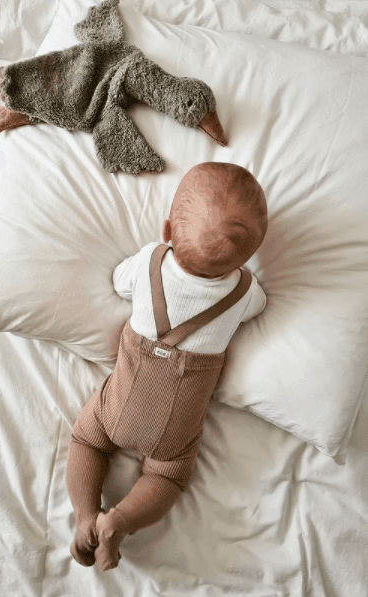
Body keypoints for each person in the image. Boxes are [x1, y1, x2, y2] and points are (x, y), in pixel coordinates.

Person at [66, 162, 268, 571]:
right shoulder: (243, 292)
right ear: (244, 260)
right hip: (172, 430)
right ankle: (118, 521)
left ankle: (86, 517)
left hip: (119, 403)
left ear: (166, 232)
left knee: (87, 440)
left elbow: (119, 282)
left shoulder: (150, 261)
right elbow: (259, 307)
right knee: (167, 479)